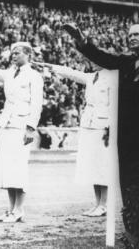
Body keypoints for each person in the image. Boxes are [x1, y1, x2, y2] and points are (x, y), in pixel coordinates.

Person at [62, 23, 139, 193]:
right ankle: (130, 218)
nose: (131, 38)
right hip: (126, 133)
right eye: (129, 35)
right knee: (126, 181)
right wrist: (82, 42)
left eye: (136, 34)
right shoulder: (126, 62)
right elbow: (102, 58)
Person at [36, 61, 119, 217]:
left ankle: (103, 204)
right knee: (93, 166)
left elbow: (115, 105)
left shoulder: (113, 77)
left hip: (104, 126)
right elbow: (71, 73)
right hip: (89, 123)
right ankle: (98, 203)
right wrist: (49, 66)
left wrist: (111, 127)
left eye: (96, 59)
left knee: (102, 166)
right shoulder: (91, 77)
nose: (93, 63)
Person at [0, 42, 43, 223]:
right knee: (7, 168)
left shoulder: (34, 76)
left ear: (27, 54)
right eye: (12, 53)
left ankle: (19, 209)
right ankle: (11, 209)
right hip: (7, 124)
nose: (13, 55)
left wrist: (30, 128)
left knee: (18, 167)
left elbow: (36, 104)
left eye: (17, 53)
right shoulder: (9, 73)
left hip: (22, 126)